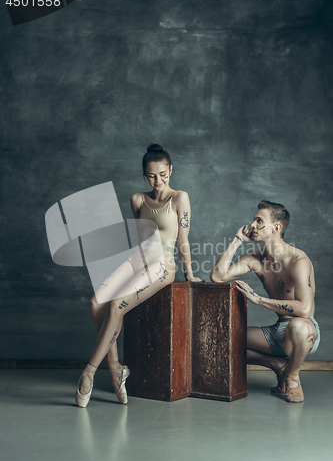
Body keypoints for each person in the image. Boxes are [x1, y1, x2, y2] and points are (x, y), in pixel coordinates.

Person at [75, 144, 202, 407]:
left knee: (116, 305)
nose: (158, 181)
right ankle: (115, 368)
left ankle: (88, 372)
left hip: (162, 265)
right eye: (152, 176)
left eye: (163, 174)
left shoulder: (180, 198)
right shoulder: (137, 200)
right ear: (145, 174)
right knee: (96, 303)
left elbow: (183, 241)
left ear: (171, 170)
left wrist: (190, 274)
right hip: (135, 261)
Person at [210, 200, 320, 403]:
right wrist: (236, 240)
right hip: (277, 332)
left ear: (276, 227)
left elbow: (304, 309)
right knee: (222, 338)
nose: (252, 225)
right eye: (253, 220)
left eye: (259, 220)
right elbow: (217, 276)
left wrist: (259, 300)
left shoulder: (298, 261)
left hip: (303, 330)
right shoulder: (254, 259)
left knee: (298, 327)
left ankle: (292, 376)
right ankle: (277, 365)